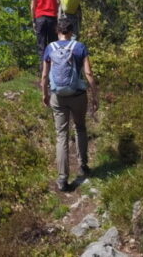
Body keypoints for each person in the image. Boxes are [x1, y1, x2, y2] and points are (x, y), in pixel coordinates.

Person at [41, 16, 98, 192]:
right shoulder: (79, 47)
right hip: (78, 95)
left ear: (57, 31)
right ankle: (83, 165)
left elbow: (44, 76)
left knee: (61, 136)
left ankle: (62, 178)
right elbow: (88, 73)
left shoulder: (50, 48)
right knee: (80, 128)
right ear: (71, 32)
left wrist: (45, 94)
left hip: (57, 96)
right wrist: (95, 95)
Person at [29, 0, 59, 65]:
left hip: (40, 18)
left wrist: (33, 21)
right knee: (53, 45)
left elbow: (33, 6)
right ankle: (54, 72)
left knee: (42, 47)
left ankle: (44, 74)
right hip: (52, 17)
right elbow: (58, 1)